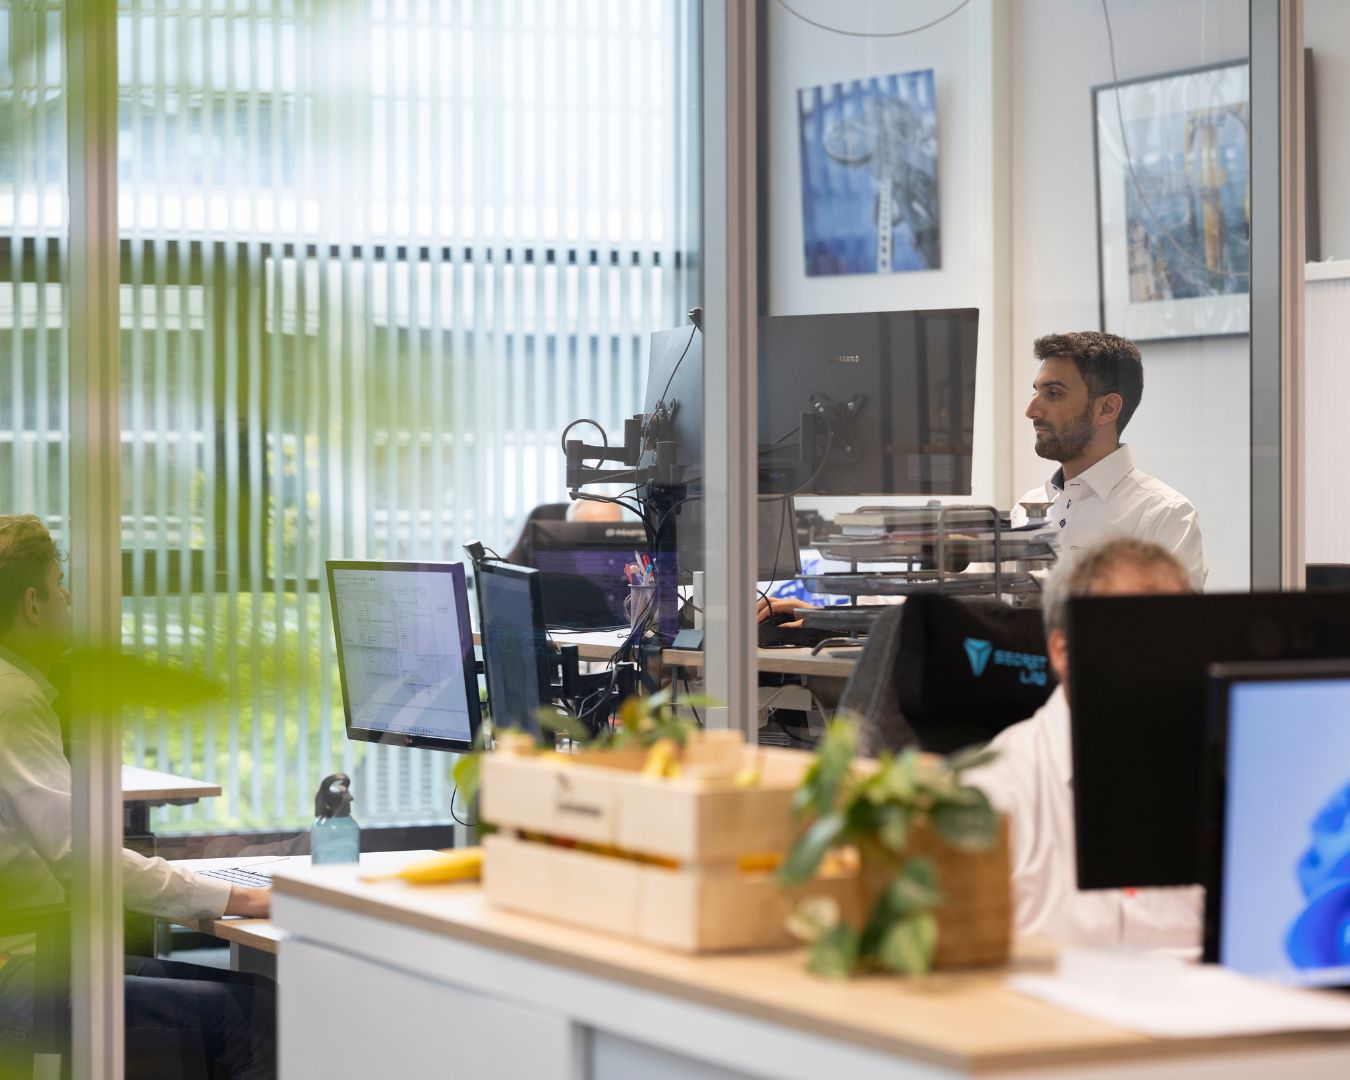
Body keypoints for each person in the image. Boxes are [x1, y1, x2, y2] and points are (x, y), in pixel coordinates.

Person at [0, 515, 275, 1078]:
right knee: (257, 1017)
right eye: (58, 585)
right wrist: (237, 898)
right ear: (32, 605)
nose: (67, 597)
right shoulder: (12, 699)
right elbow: (80, 857)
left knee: (258, 997)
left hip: (36, 953)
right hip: (20, 973)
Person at [965, 537, 1204, 951]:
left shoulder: (1218, 780)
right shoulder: (994, 791)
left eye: (1174, 633)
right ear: (1063, 651)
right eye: (1134, 632)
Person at [1015, 331, 1206, 590]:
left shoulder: (1164, 516)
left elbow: (1171, 616)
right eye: (1035, 392)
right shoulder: (1024, 510)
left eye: (1054, 394)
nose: (1031, 411)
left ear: (1107, 409)